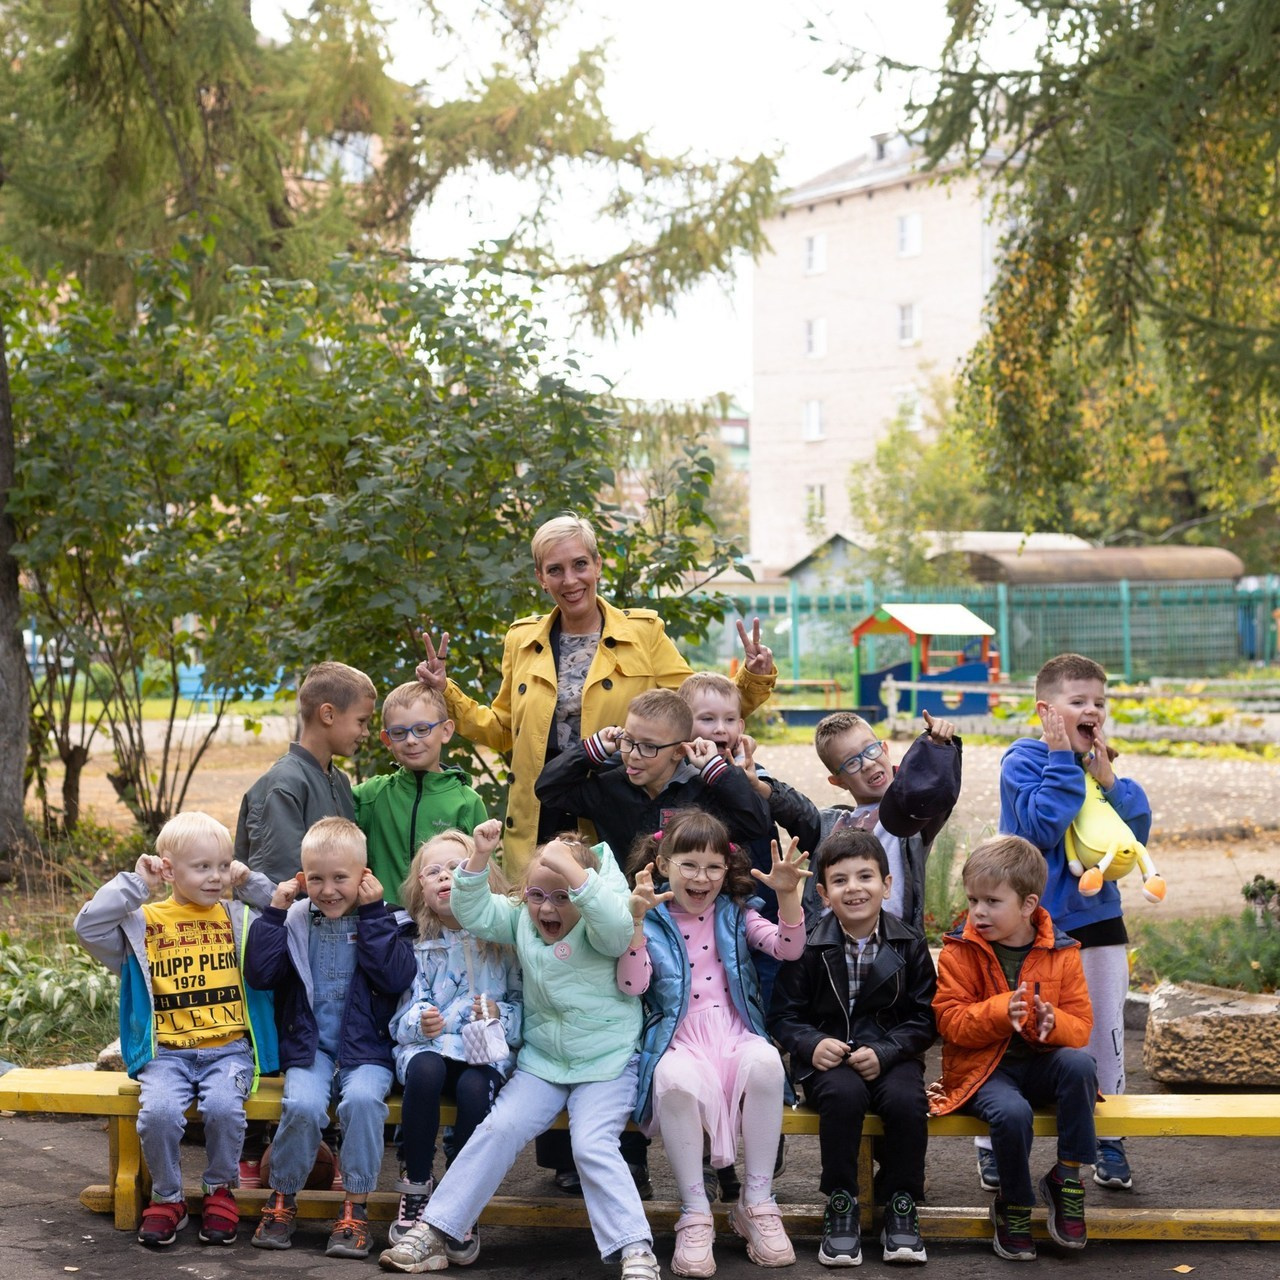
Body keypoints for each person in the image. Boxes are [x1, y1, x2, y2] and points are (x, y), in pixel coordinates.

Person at [414, 512, 778, 875]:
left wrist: (753, 678)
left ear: (598, 565)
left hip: (612, 808)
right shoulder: (521, 640)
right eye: (555, 570)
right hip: (543, 805)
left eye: (580, 565)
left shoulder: (643, 634)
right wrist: (446, 691)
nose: (570, 580)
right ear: (541, 578)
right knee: (536, 916)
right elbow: (502, 730)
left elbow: (699, 710)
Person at [378, 824, 661, 1280]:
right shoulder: (523, 920)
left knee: (591, 1145)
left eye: (562, 896)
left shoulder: (601, 923)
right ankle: (434, 1230)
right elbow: (474, 911)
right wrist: (478, 859)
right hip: (544, 1063)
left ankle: (635, 1249)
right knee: (499, 1127)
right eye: (536, 895)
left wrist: (564, 860)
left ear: (584, 895)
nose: (546, 908)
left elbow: (615, 927)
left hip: (605, 1064)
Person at [74, 812, 278, 1249]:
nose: (215, 877)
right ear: (169, 868)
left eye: (223, 865)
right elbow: (87, 926)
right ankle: (168, 1198)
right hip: (166, 1054)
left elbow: (291, 916)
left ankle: (220, 1190)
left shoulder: (237, 917)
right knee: (159, 1115)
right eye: (202, 867)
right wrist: (136, 882)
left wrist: (247, 881)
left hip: (230, 1052)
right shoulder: (142, 923)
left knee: (225, 1109)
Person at [623, 810, 808, 1276]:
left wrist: (787, 899)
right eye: (688, 864)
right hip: (677, 1037)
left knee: (767, 1063)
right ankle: (695, 1212)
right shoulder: (649, 916)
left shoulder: (736, 914)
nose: (700, 877)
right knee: (677, 1082)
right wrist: (634, 926)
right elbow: (631, 985)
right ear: (663, 864)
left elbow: (787, 948)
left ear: (727, 872)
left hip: (733, 1031)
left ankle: (758, 1202)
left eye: (713, 867)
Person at [993, 653, 1150, 1194]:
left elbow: (1132, 838)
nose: (1092, 711)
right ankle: (995, 1140)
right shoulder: (1022, 761)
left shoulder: (1097, 762)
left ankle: (1109, 1138)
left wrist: (1113, 781)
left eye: (1099, 703)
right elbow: (1040, 827)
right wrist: (1063, 757)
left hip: (1100, 921)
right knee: (1022, 1032)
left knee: (1103, 1032)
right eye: (1078, 701)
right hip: (1033, 929)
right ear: (1046, 710)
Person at [245, 818, 416, 1259]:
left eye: (341, 877)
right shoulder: (297, 919)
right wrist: (274, 912)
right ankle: (281, 1199)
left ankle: (354, 1207)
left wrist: (374, 915)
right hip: (312, 1049)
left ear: (365, 876)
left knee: (361, 1103)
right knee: (300, 1105)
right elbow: (262, 974)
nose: (328, 889)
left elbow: (396, 976)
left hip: (367, 1053)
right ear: (302, 878)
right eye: (315, 878)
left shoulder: (391, 918)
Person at [768, 828, 936, 1268]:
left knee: (905, 1100)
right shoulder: (810, 945)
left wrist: (886, 1050)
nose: (855, 888)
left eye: (866, 877)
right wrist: (812, 1042)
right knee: (842, 1096)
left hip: (891, 1054)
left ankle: (901, 1199)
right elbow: (783, 1014)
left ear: (887, 883)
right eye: (840, 880)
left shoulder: (909, 942)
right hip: (830, 1058)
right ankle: (841, 1199)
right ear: (823, 893)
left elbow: (924, 1017)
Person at [930, 835, 1097, 1261]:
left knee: (1079, 1065)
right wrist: (1002, 1011)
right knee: (1012, 1112)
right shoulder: (959, 952)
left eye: (992, 901)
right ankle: (1014, 1202)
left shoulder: (1062, 952)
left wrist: (1051, 1023)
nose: (979, 911)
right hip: (983, 1071)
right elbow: (949, 1023)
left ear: (1028, 904)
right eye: (972, 900)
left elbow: (1080, 1028)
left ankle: (1067, 1179)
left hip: (1040, 1064)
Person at [387, 829, 523, 1245]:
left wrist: (503, 1013)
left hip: (484, 1051)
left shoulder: (503, 941)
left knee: (473, 1090)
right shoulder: (416, 943)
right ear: (420, 888)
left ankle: (462, 1197)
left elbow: (524, 1006)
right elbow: (402, 1017)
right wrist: (419, 1021)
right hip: (431, 1047)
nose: (446, 877)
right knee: (424, 1072)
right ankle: (417, 1184)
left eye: (456, 868)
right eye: (434, 871)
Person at [759, 709, 961, 931]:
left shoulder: (910, 821)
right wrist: (759, 784)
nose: (867, 764)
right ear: (838, 781)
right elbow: (795, 808)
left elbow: (937, 792)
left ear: (884, 749)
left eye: (871, 750)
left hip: (893, 949)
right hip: (830, 951)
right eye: (852, 763)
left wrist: (940, 747)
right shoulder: (829, 825)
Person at [534, 688, 773, 859]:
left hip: (695, 914)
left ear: (679, 751)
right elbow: (548, 789)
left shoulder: (703, 789)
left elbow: (756, 824)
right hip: (630, 914)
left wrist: (717, 772)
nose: (634, 754)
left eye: (649, 746)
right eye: (628, 740)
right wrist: (591, 748)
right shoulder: (611, 786)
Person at [236, 661, 377, 884]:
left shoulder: (339, 780)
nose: (366, 732)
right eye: (361, 721)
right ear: (328, 714)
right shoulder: (284, 785)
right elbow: (279, 882)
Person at [353, 682, 488, 905]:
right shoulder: (372, 795)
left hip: (446, 928)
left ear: (446, 731)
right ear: (387, 740)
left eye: (422, 729)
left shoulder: (466, 802)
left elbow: (483, 874)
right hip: (384, 926)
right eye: (399, 733)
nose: (411, 740)